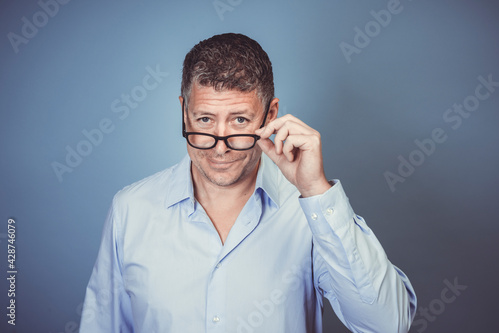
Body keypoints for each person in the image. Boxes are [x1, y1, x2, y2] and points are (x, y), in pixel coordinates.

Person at [80, 33, 417, 333]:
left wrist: (316, 190)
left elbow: (387, 325)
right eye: (205, 120)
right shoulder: (131, 210)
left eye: (239, 120)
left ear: (270, 116)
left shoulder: (311, 216)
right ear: (184, 113)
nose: (221, 144)